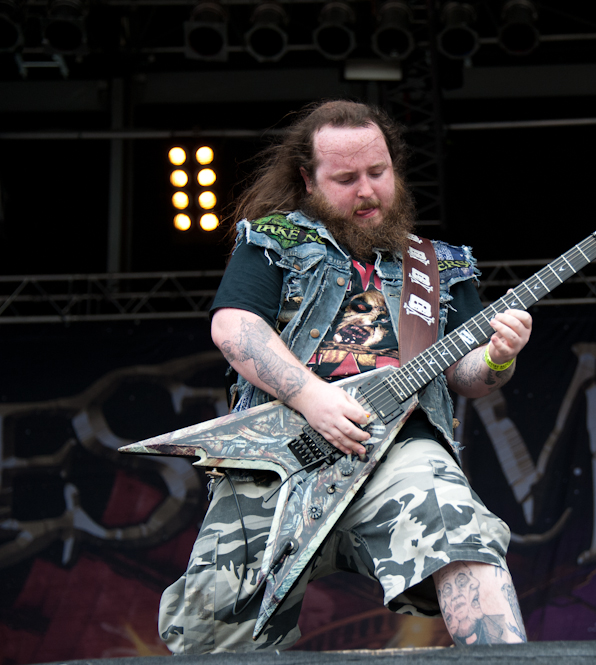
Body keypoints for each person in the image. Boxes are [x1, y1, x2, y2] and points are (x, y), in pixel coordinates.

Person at [158, 100, 531, 652]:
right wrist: (311, 397)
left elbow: (466, 376)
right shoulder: (272, 239)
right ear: (308, 180)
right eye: (346, 178)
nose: (367, 192)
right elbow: (235, 328)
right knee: (212, 630)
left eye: (378, 173)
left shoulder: (440, 265)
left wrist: (501, 356)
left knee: (462, 531)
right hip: (282, 454)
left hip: (399, 450)